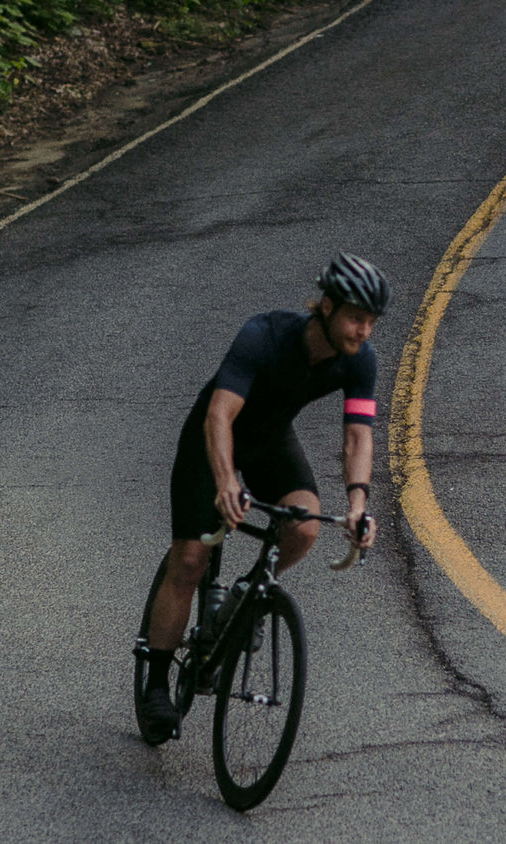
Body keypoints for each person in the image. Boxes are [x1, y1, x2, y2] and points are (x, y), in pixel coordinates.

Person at [136, 252, 389, 743]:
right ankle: (158, 685)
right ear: (328, 307)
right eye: (357, 318)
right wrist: (227, 480)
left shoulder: (361, 361)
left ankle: (244, 597)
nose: (364, 331)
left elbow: (358, 436)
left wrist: (358, 503)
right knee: (190, 559)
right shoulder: (265, 335)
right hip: (212, 441)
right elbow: (219, 416)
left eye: (372, 321)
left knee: (307, 524)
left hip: (271, 441)